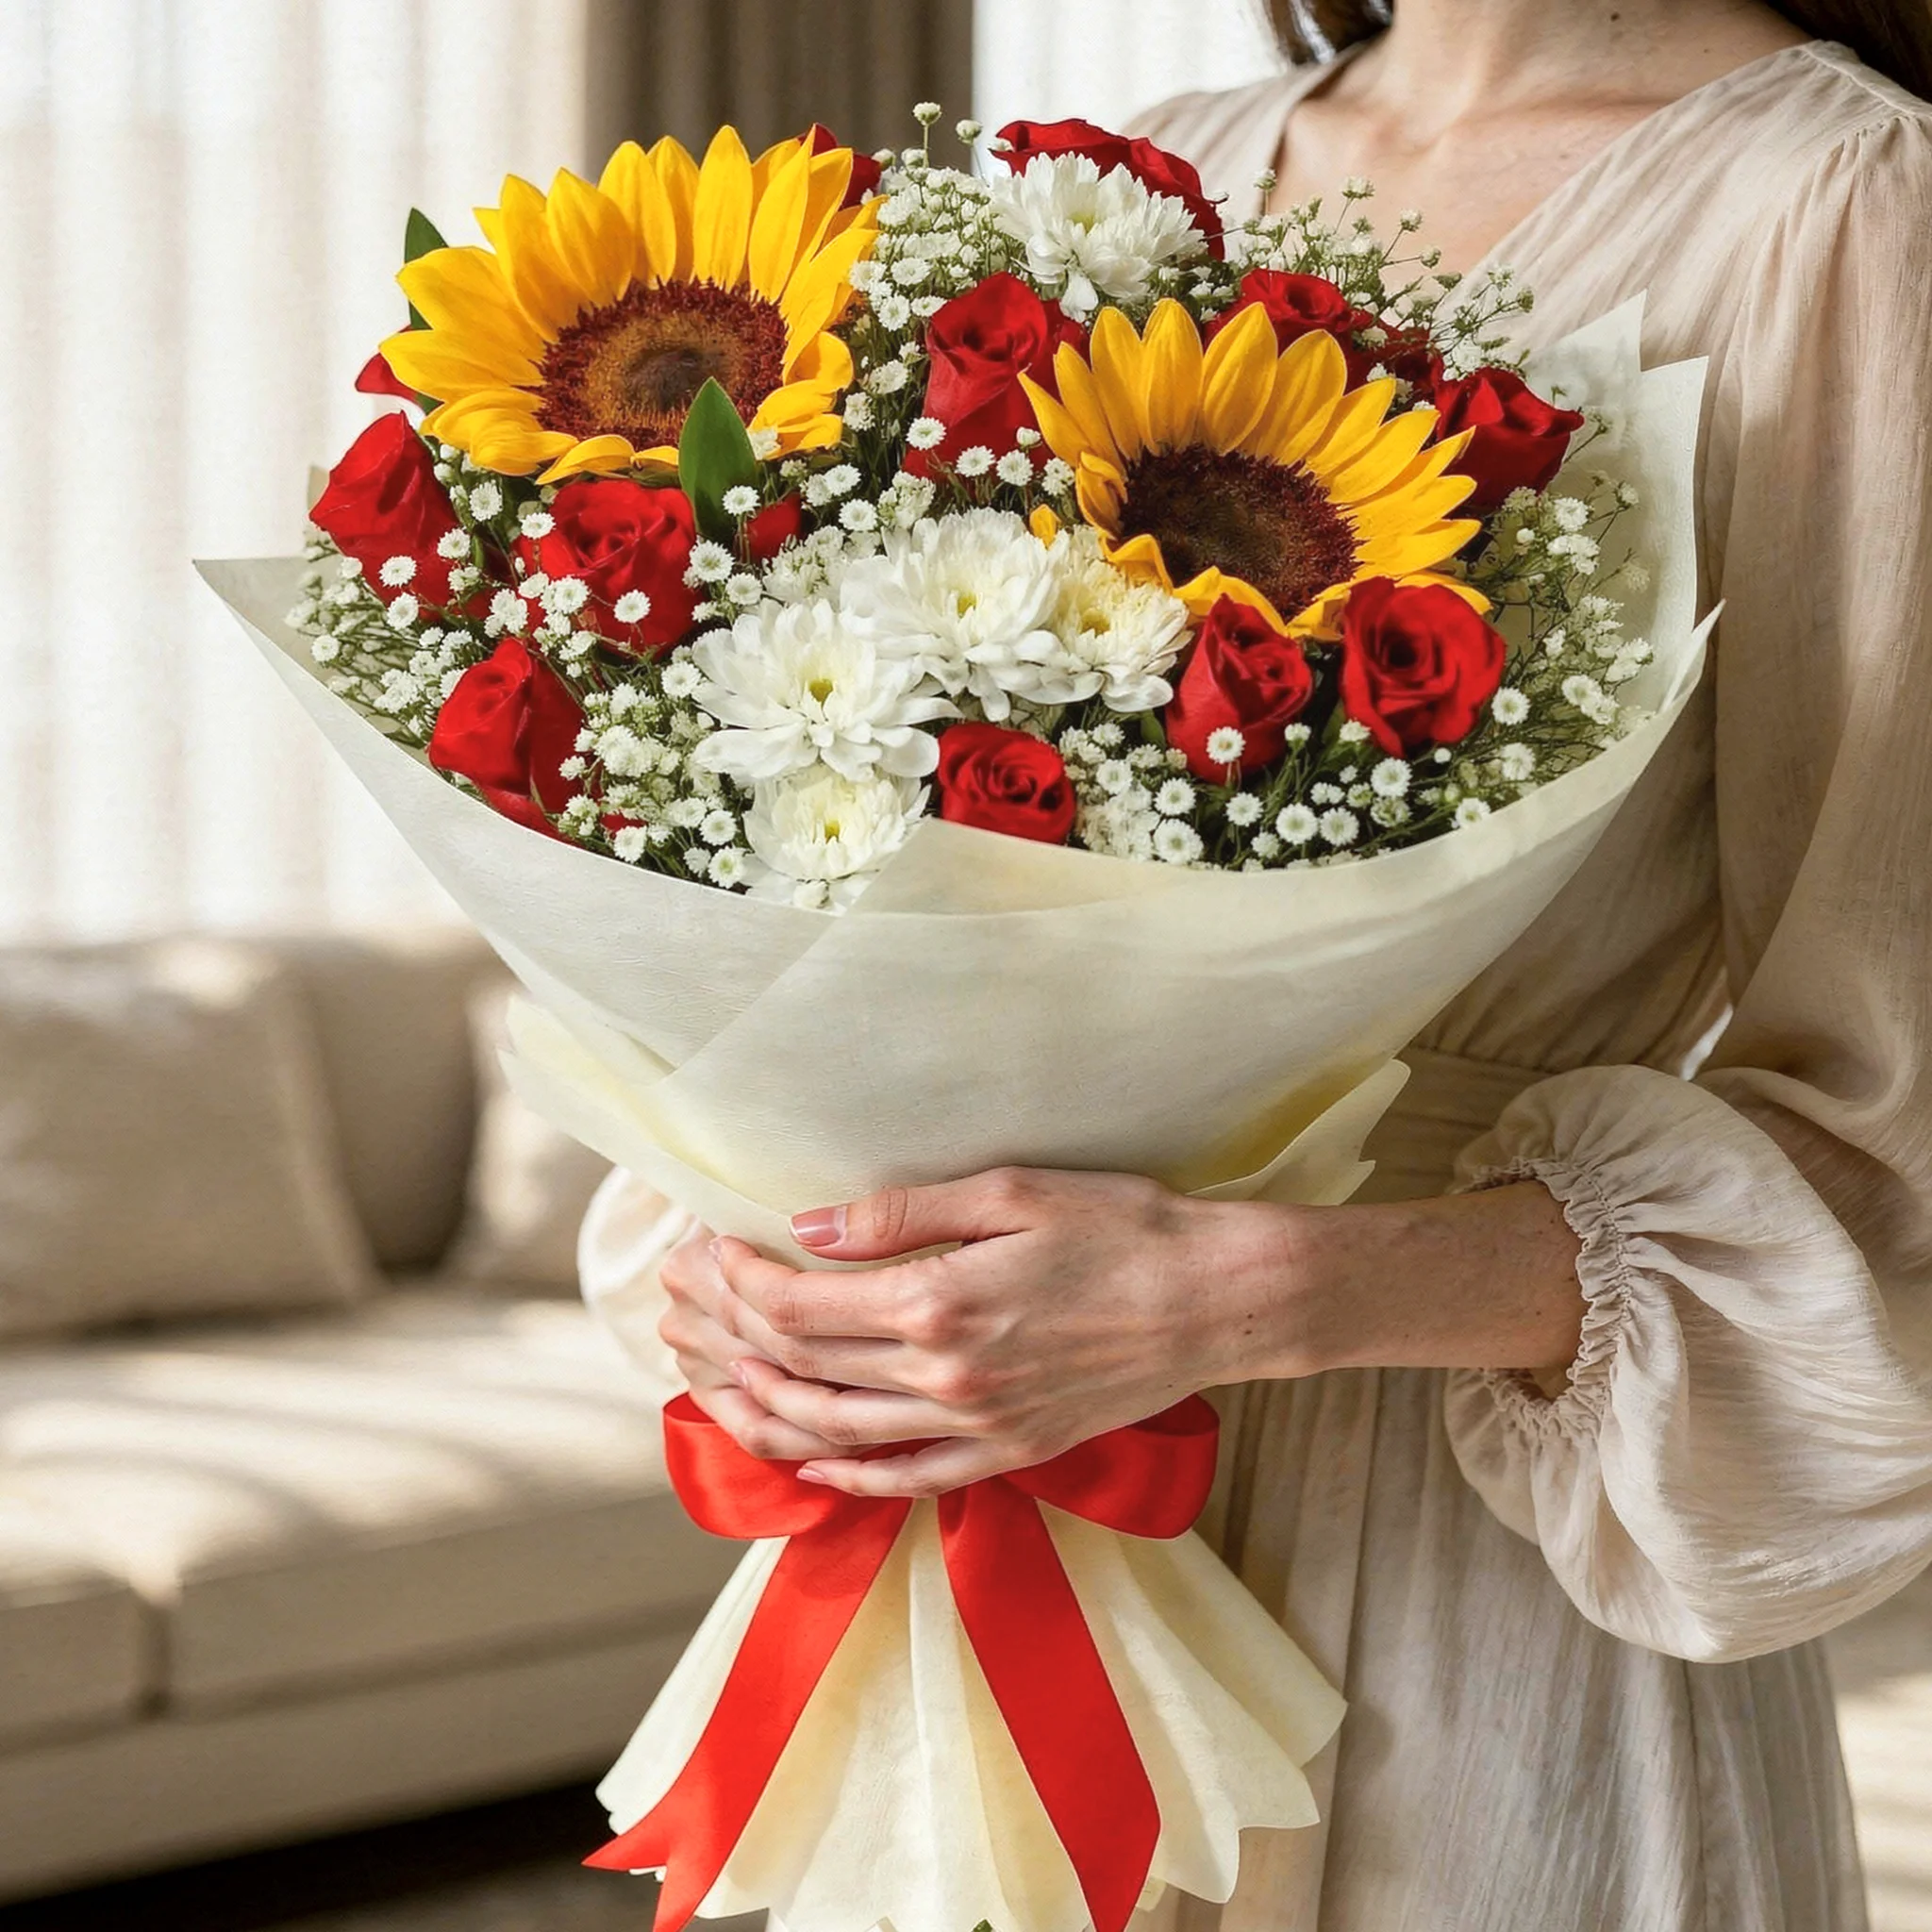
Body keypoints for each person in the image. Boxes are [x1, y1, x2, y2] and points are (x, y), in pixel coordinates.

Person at [589, 1, 1932, 1921]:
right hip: (1002, 1482)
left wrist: (1254, 1293)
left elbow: (1901, 1138)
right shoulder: (1155, 163)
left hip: (1471, 1546)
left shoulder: (1848, 210)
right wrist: (761, 1225)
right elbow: (846, 823)